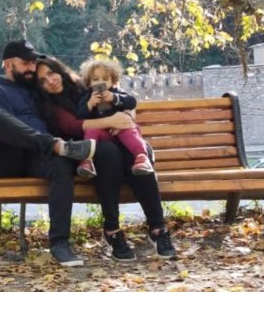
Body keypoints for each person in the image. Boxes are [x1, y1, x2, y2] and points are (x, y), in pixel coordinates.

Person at [35, 56, 176, 261]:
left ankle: (158, 228)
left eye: (51, 73)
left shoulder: (89, 83)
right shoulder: (51, 105)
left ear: (60, 70)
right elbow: (72, 127)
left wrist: (126, 117)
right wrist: (111, 121)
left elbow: (127, 101)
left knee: (140, 152)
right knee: (107, 153)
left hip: (120, 141)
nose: (50, 81)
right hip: (89, 154)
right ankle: (112, 230)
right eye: (42, 80)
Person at [0, 39, 96, 267]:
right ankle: (54, 145)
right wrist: (51, 143)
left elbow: (68, 94)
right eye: (26, 63)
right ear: (8, 65)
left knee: (61, 163)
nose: (32, 68)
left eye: (33, 63)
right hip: (7, 160)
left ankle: (60, 243)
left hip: (37, 158)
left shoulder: (35, 90)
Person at [75, 58, 154, 178]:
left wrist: (115, 98)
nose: (100, 82)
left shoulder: (117, 92)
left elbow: (132, 102)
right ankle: (86, 161)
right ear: (89, 83)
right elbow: (80, 117)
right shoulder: (87, 98)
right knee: (91, 132)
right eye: (95, 79)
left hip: (122, 131)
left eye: (105, 79)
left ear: (112, 81)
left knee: (129, 129)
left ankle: (141, 157)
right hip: (105, 136)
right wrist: (90, 105)